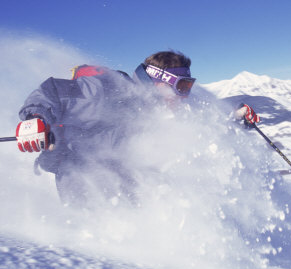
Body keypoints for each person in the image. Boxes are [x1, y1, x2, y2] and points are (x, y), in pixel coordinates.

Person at [15, 51, 196, 208]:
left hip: (123, 192)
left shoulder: (151, 112)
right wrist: (35, 119)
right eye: (182, 86)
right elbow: (53, 92)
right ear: (160, 81)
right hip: (86, 189)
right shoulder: (111, 89)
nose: (184, 95)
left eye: (188, 86)